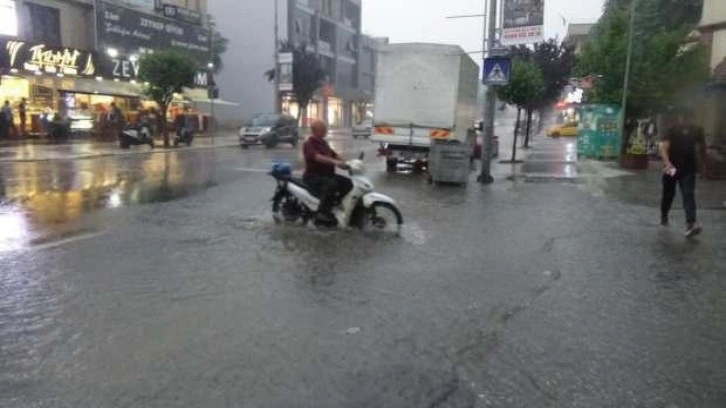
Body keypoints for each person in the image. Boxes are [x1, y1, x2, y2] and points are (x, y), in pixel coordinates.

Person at [659, 108, 707, 237]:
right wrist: (668, 164)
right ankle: (664, 215)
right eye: (684, 118)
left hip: (688, 168)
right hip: (672, 168)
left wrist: (704, 166)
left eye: (690, 118)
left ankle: (690, 224)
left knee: (688, 194)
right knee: (669, 194)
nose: (687, 121)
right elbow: (663, 149)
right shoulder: (672, 130)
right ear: (679, 118)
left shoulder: (697, 131)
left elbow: (702, 148)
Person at [303, 120, 352, 223]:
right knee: (331, 184)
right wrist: (334, 162)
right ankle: (322, 213)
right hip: (313, 176)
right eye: (323, 130)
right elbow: (317, 157)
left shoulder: (324, 143)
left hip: (327, 175)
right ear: (316, 131)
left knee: (348, 183)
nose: (325, 132)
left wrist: (346, 163)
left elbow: (334, 154)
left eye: (325, 129)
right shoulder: (309, 144)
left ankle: (334, 204)